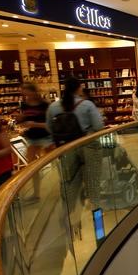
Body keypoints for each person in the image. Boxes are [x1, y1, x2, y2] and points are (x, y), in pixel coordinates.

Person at [46, 77, 105, 215]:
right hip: (89, 146)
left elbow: (49, 128)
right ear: (79, 88)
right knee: (93, 184)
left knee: (68, 183)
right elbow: (98, 126)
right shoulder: (87, 105)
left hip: (66, 149)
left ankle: (68, 218)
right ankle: (96, 218)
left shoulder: (53, 107)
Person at [16, 83, 53, 200]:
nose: (24, 94)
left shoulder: (45, 105)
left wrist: (34, 124)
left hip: (46, 137)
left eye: (26, 91)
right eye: (23, 92)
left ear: (33, 91)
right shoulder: (25, 105)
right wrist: (21, 120)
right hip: (32, 137)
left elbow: (50, 125)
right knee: (31, 167)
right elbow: (25, 121)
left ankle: (62, 185)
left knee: (55, 162)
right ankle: (36, 193)